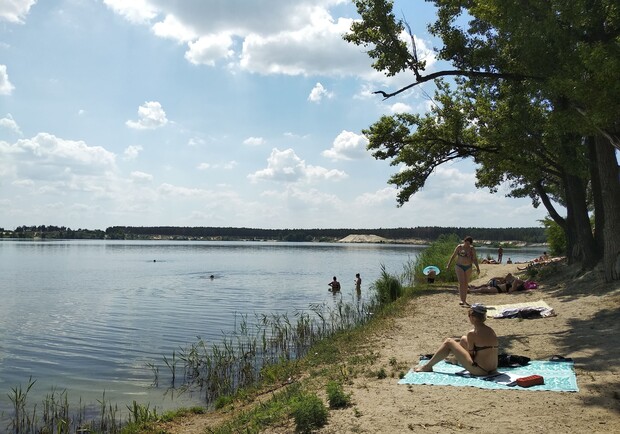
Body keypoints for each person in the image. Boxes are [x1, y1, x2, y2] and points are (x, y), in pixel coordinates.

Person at [415, 304, 498, 376]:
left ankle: (428, 366)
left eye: (469, 315)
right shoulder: (491, 331)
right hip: (493, 370)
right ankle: (454, 360)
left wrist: (457, 352)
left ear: (473, 317)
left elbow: (471, 355)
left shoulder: (472, 333)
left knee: (448, 342)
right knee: (463, 339)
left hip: (480, 371)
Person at [446, 236, 480, 307]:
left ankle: (464, 299)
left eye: (469, 243)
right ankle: (462, 300)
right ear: (464, 241)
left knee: (466, 283)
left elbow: (474, 259)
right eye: (466, 243)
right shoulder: (459, 247)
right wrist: (448, 265)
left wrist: (477, 268)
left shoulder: (471, 249)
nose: (467, 245)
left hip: (468, 266)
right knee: (461, 282)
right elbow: (453, 256)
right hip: (459, 266)